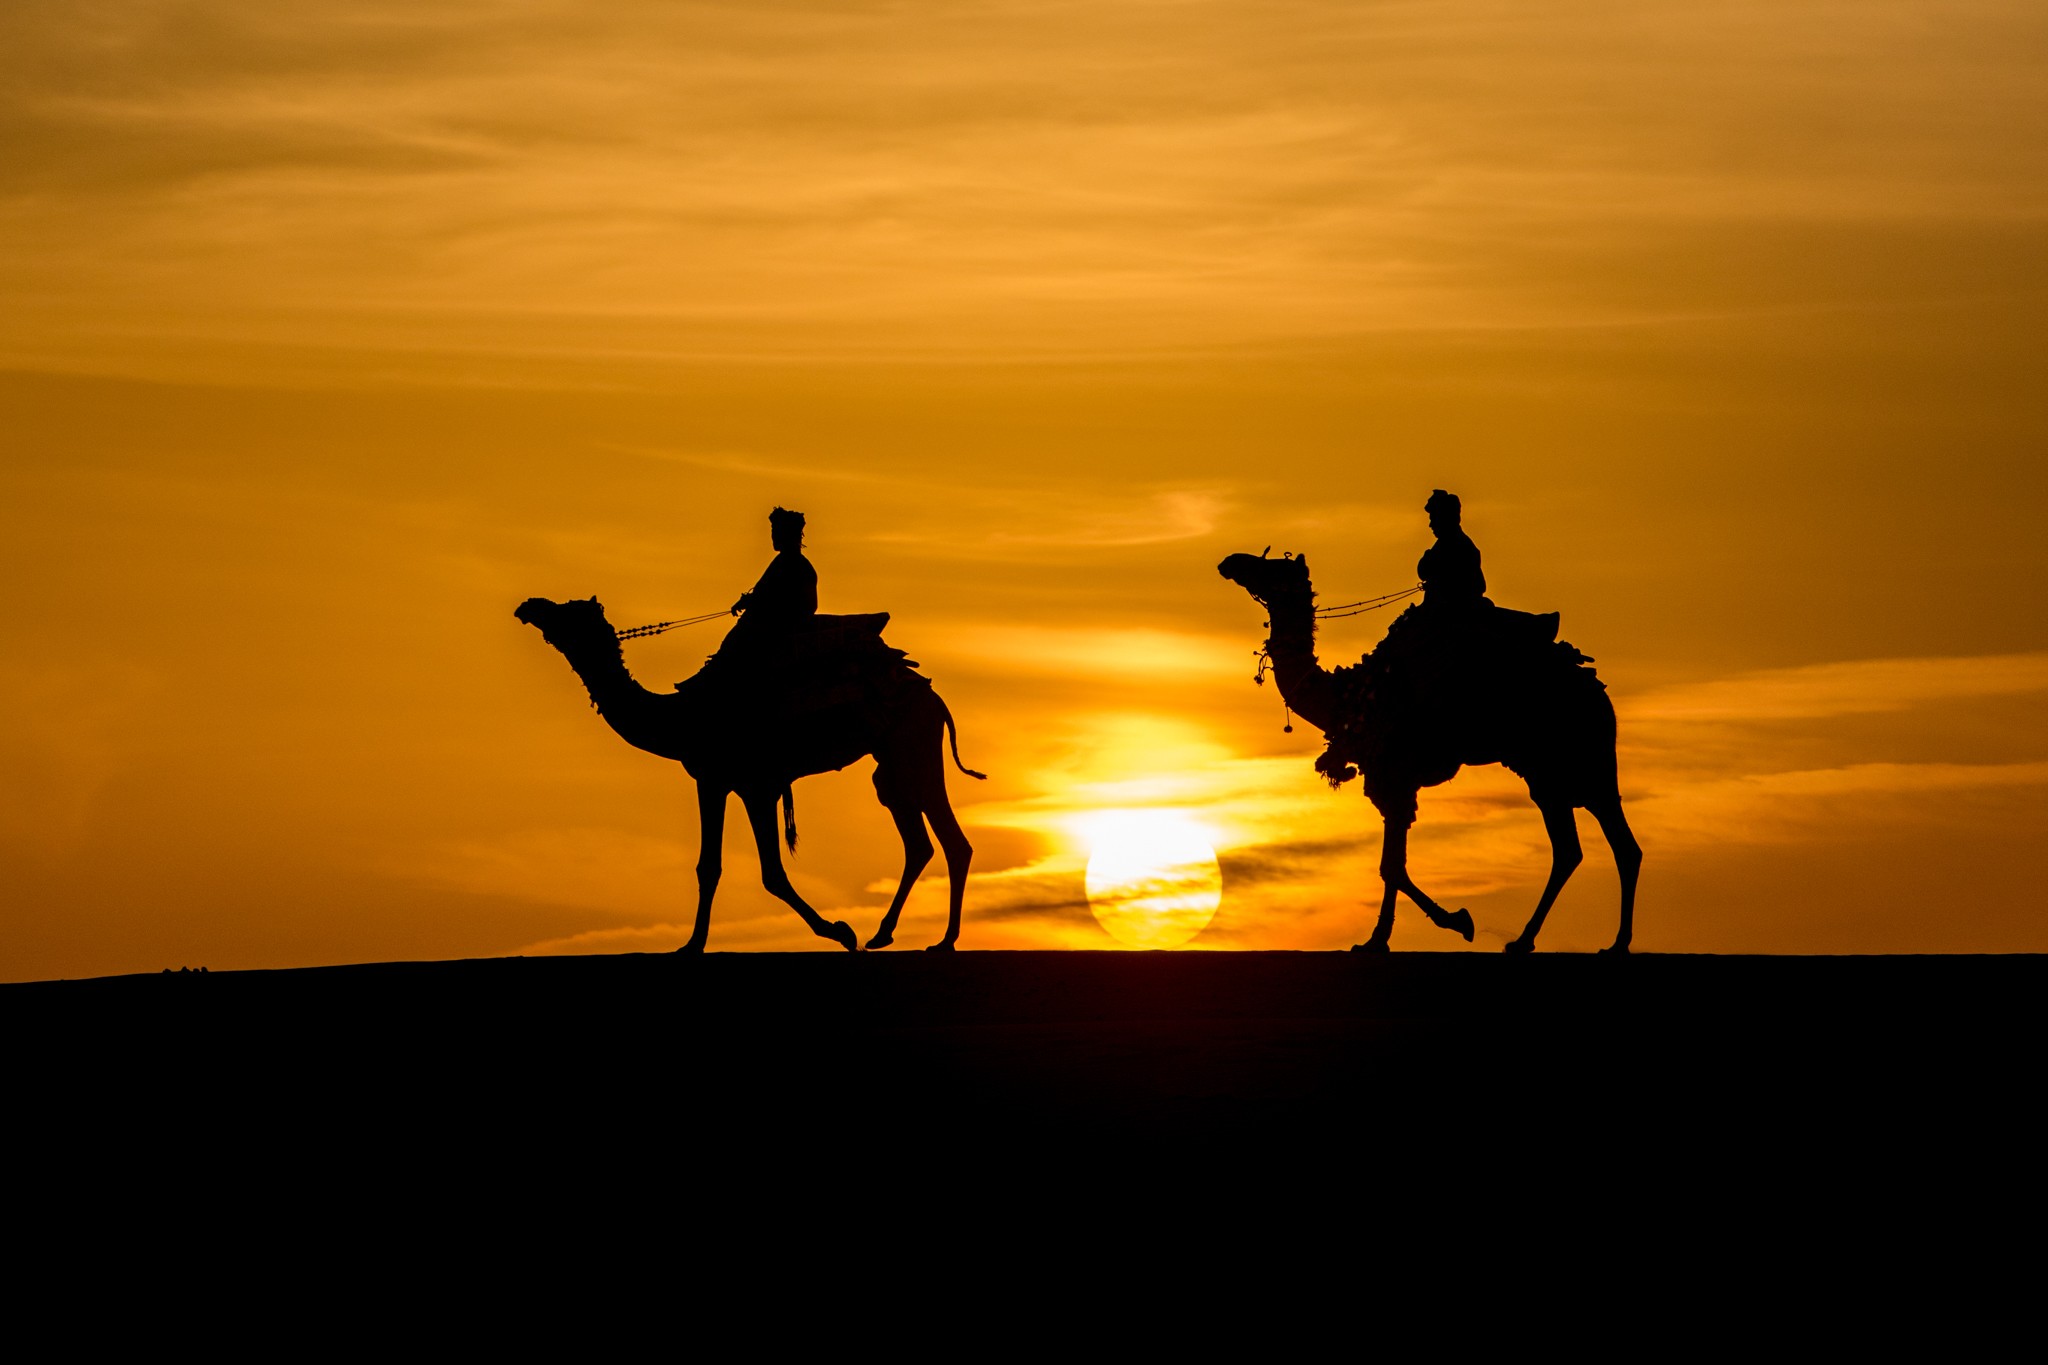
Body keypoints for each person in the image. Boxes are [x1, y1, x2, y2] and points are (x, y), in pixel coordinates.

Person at [1417, 489, 1488, 615]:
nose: (1430, 525)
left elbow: (1476, 585)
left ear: (1445, 518)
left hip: (1451, 612)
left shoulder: (1459, 546)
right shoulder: (1445, 544)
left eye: (1433, 518)